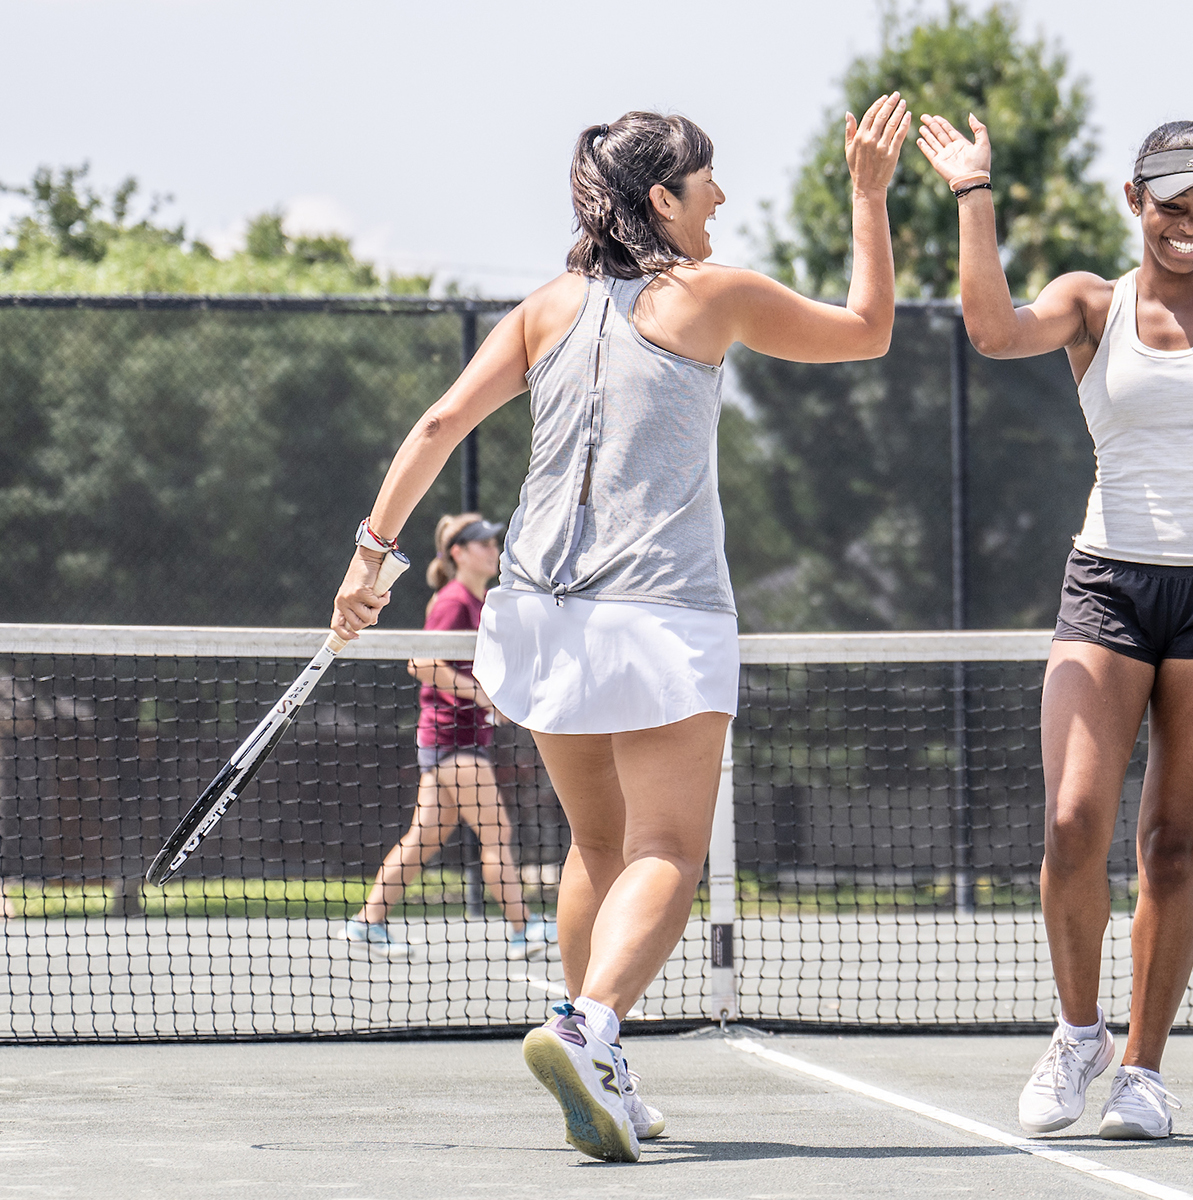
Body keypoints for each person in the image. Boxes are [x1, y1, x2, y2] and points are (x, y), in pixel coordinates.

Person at [332, 98, 911, 1162]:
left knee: (596, 846)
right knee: (667, 851)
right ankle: (586, 1027)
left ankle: (601, 1054)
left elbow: (438, 424)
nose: (721, 196)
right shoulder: (711, 294)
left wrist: (370, 560)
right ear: (662, 199)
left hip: (537, 618)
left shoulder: (545, 307)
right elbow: (868, 331)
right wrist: (868, 195)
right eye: (707, 179)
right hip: (660, 617)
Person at [915, 113, 1193, 1140]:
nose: (1190, 227)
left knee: (1171, 845)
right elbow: (991, 332)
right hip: (1107, 588)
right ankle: (1078, 1033)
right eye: (1173, 207)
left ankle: (1141, 1072)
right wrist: (973, 193)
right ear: (1135, 201)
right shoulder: (1089, 301)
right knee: (1074, 823)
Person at [338, 513, 555, 962]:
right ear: (458, 553)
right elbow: (421, 663)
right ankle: (523, 929)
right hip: (453, 739)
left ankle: (366, 922)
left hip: (458, 738)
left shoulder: (480, 602)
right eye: (482, 543)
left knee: (424, 837)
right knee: (496, 832)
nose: (493, 550)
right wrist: (479, 695)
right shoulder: (454, 600)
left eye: (494, 542)